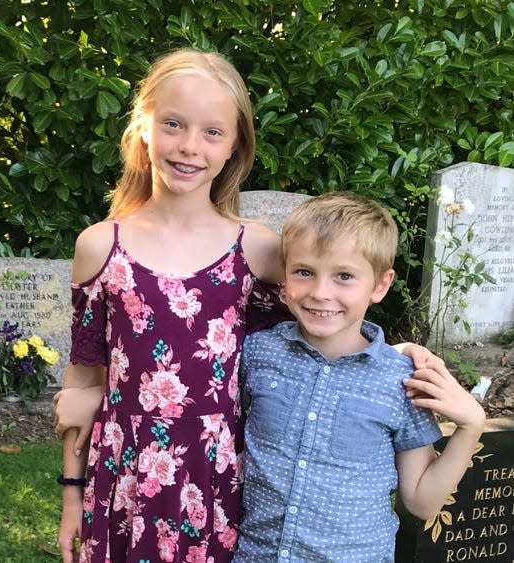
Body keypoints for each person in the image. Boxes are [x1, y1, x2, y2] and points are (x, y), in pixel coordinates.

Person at [56, 47, 290, 563]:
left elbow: (315, 336)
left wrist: (395, 351)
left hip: (216, 476)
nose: (189, 147)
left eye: (212, 132)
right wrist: (72, 494)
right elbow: (83, 383)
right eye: (173, 124)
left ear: (234, 146)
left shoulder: (257, 250)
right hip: (121, 480)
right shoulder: (100, 247)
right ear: (144, 126)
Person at [232, 192, 485, 562]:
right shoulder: (258, 353)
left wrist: (472, 426)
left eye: (344, 276)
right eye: (305, 272)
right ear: (284, 277)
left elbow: (422, 501)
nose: (321, 293)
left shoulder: (400, 381)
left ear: (380, 285)